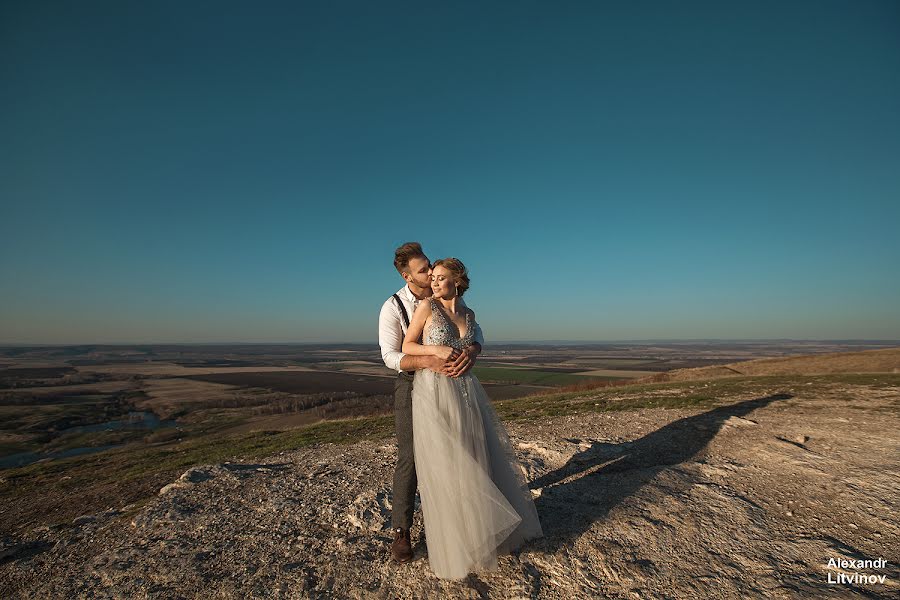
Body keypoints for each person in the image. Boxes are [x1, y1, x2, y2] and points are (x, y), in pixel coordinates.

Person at [401, 257, 543, 580]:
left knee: (475, 459)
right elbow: (407, 345)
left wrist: (474, 351)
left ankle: (480, 536)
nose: (433, 283)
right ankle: (455, 546)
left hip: (466, 392)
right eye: (432, 277)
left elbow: (476, 340)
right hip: (434, 392)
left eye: (440, 278)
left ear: (457, 280)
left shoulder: (469, 314)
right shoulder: (426, 308)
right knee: (449, 465)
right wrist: (435, 352)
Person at [378, 242, 484, 563]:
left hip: (453, 385)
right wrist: (429, 359)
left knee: (461, 449)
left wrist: (473, 351)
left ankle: (460, 523)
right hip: (412, 384)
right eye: (424, 270)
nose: (429, 274)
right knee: (411, 455)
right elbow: (390, 356)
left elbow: (474, 331)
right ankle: (402, 531)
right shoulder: (393, 306)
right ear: (406, 274)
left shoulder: (451, 299)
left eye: (430, 268)